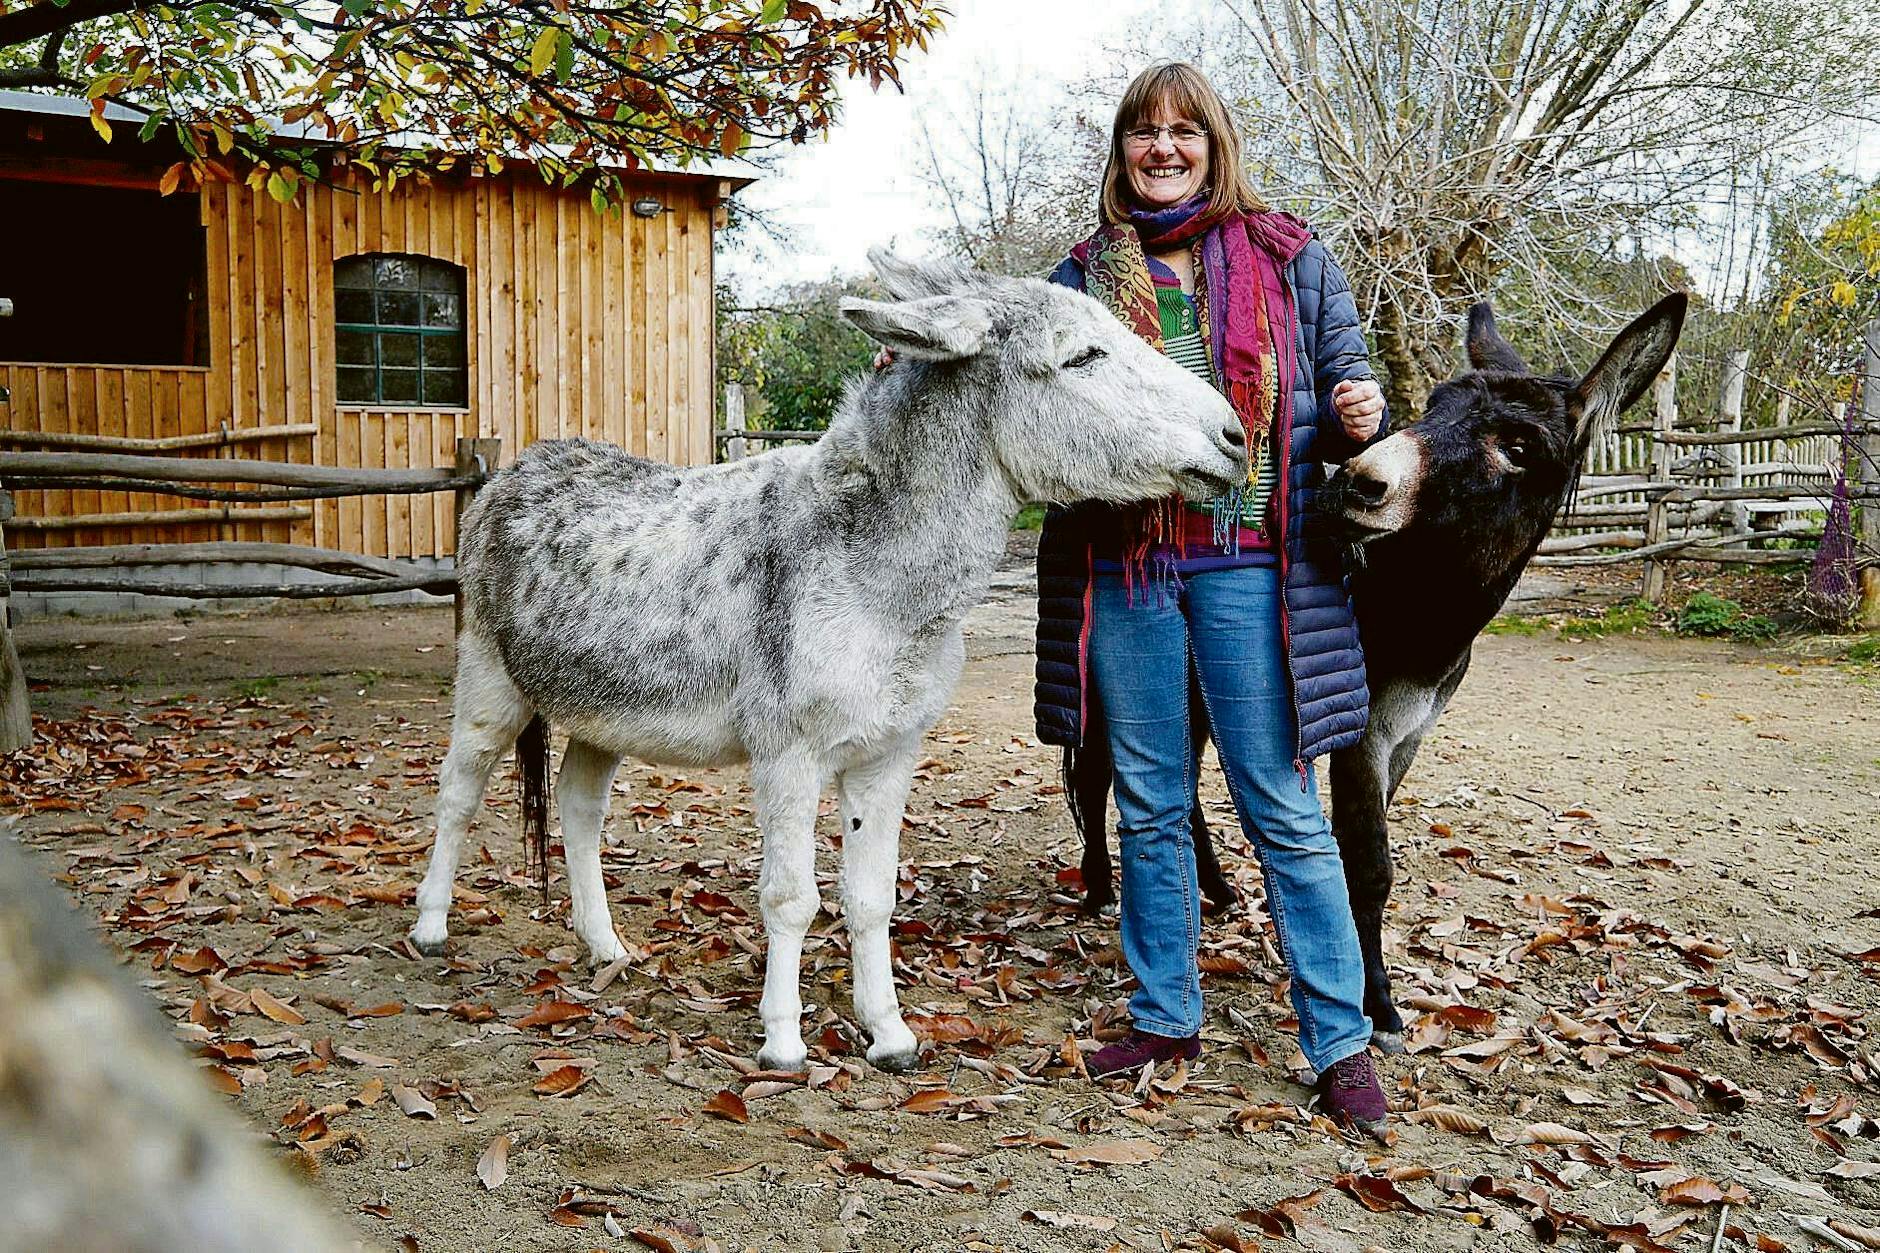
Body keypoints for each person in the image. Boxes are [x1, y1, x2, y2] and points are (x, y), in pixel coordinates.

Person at [1031, 61, 1389, 1133]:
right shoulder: (1081, 276)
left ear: (1212, 143)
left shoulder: (1287, 256)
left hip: (1252, 571)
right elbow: (1048, 422)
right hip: (1127, 572)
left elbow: (1340, 393)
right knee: (1147, 804)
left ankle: (1338, 1041)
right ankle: (1162, 1012)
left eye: (1184, 130)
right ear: (1120, 151)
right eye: (1143, 131)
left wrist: (1357, 410)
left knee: (1278, 804)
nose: (1163, 147)